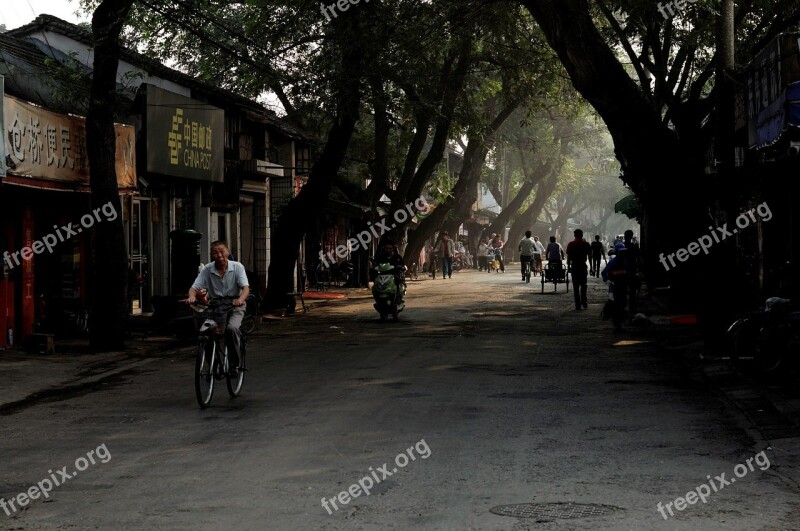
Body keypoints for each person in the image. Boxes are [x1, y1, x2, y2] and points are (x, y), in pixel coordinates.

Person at [187, 241, 250, 376]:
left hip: (235, 304)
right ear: (211, 255)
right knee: (207, 332)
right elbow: (194, 288)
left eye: (222, 251)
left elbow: (245, 288)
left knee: (231, 329)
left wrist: (240, 299)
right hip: (215, 305)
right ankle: (214, 364)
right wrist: (192, 297)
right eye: (215, 252)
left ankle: (234, 364)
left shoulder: (237, 267)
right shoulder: (208, 269)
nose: (219, 255)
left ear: (228, 252)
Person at [602, 243, 631, 332]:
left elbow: (628, 273)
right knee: (615, 305)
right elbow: (604, 272)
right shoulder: (613, 261)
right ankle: (616, 324)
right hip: (614, 287)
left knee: (622, 304)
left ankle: (620, 324)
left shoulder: (626, 261)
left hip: (623, 286)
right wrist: (607, 280)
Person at [566, 229, 591, 310]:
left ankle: (578, 304)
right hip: (583, 266)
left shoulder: (571, 244)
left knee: (575, 287)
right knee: (584, 285)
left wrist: (569, 267)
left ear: (574, 235)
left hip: (575, 267)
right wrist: (592, 267)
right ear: (582, 235)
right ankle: (584, 302)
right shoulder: (586, 244)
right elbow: (590, 256)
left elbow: (569, 257)